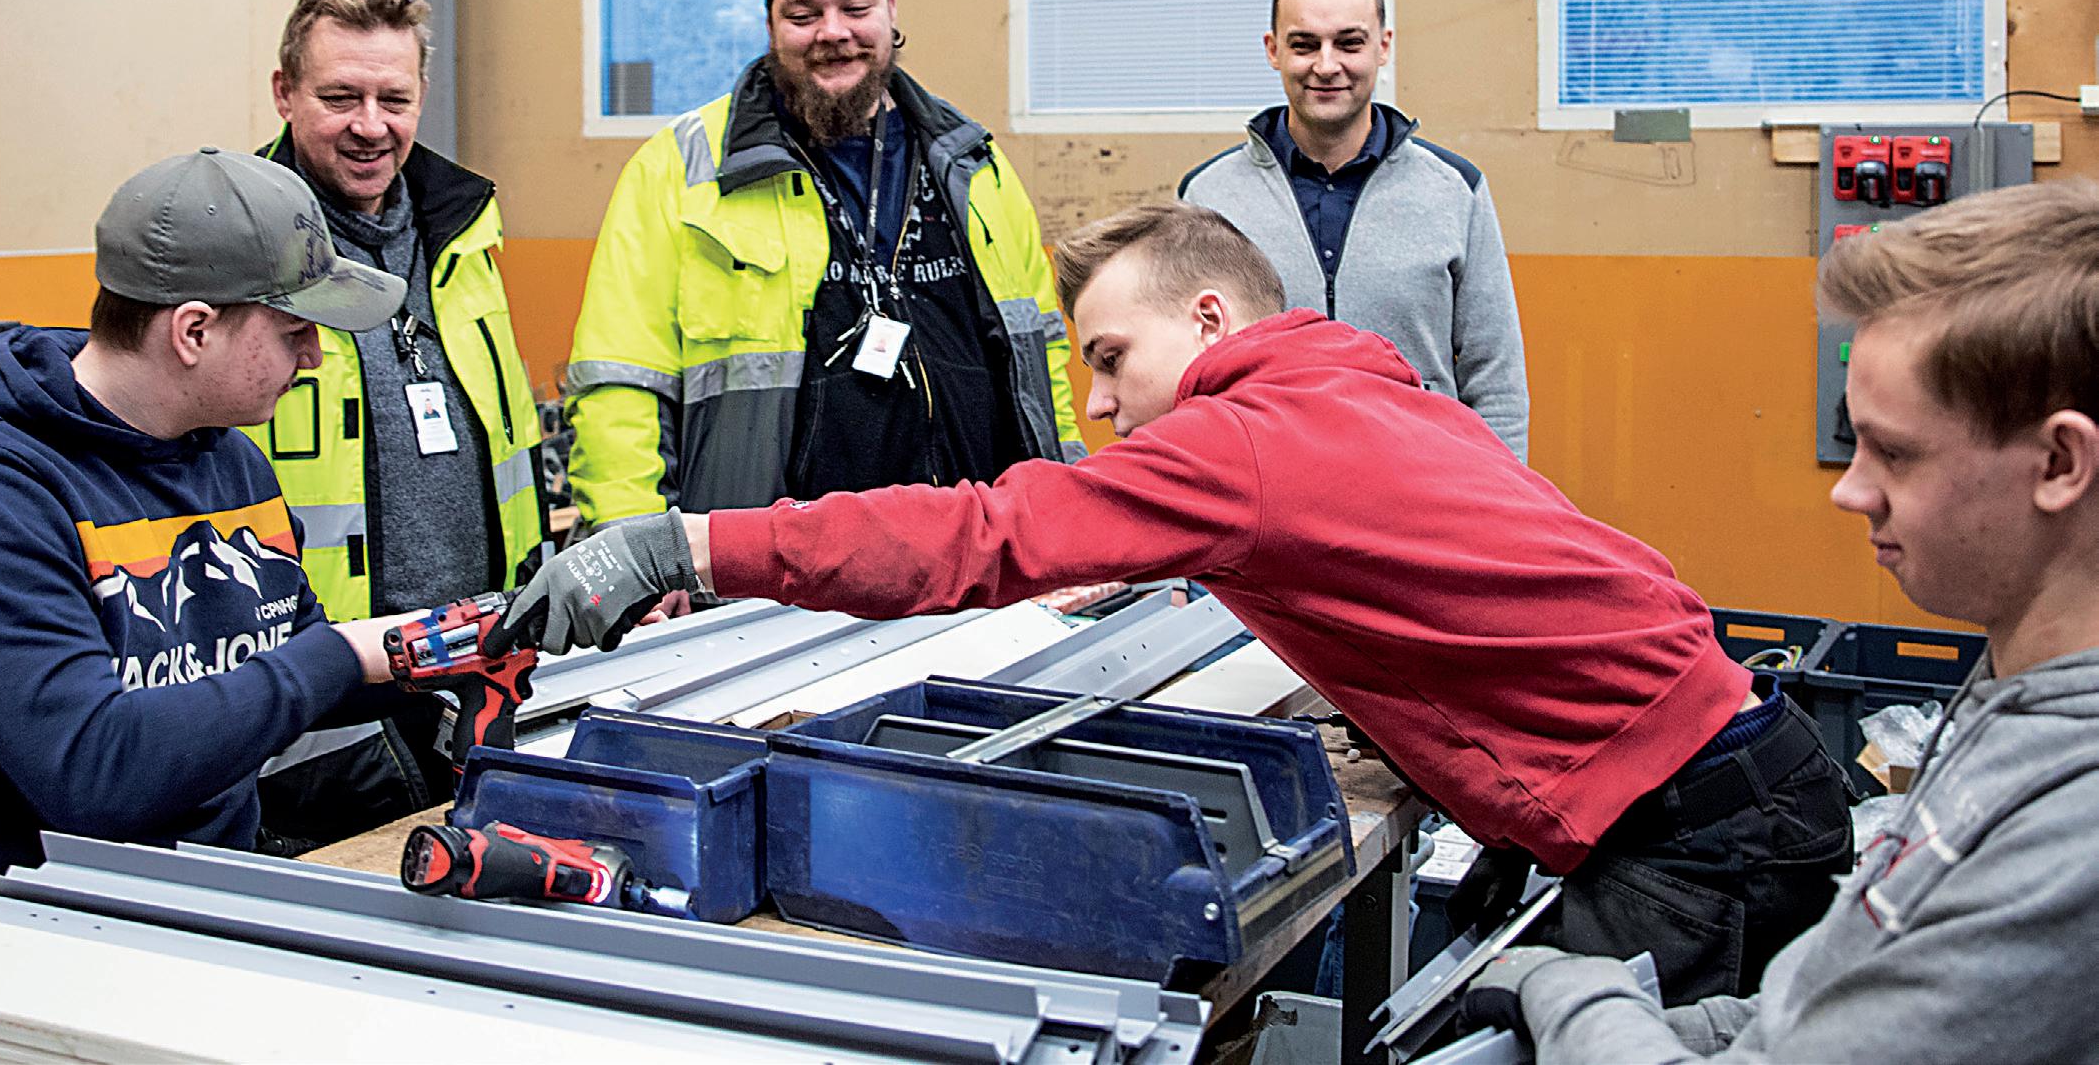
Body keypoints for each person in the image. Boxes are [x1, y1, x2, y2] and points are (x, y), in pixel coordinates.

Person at [497, 201, 1851, 1005]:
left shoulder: (1239, 443)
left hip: (1692, 828)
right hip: (1731, 765)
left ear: (1208, 321)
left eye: (1109, 357)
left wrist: (681, 543)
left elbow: (981, 535)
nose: (1095, 403)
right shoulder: (1354, 381)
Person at [1455, 181, 2099, 1062]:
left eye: (1896, 452)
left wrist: (1568, 989)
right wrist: (1665, 1026)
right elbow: (1819, 1017)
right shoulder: (2013, 701)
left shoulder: (2068, 824)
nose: (1851, 489)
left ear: (2060, 463)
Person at [0, 148, 418, 916]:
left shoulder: (228, 459)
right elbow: (95, 772)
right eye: (295, 329)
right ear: (193, 331)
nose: (315, 356)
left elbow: (285, 674)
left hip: (193, 902)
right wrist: (342, 655)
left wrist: (453, 647)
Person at [563, 0, 1083, 535]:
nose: (833, 33)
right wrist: (641, 550)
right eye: (803, 14)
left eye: (855, 8)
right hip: (770, 563)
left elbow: (1039, 364)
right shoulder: (680, 168)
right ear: (770, 26)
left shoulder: (973, 163)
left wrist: (1065, 515)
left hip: (973, 552)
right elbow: (622, 382)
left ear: (890, 10)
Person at [250, 0, 548, 845]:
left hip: (486, 658)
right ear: (284, 93)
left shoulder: (466, 229)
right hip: (326, 690)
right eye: (340, 97)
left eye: (395, 99)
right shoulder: (237, 245)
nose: (370, 126)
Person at [1180, 0, 1528, 459]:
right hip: (1265, 486)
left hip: (1421, 484)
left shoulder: (1456, 190)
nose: (1326, 66)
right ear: (1273, 50)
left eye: (1349, 43)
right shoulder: (1208, 197)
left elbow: (1496, 382)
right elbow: (1184, 372)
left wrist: (1503, 494)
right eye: (1304, 45)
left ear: (1383, 46)